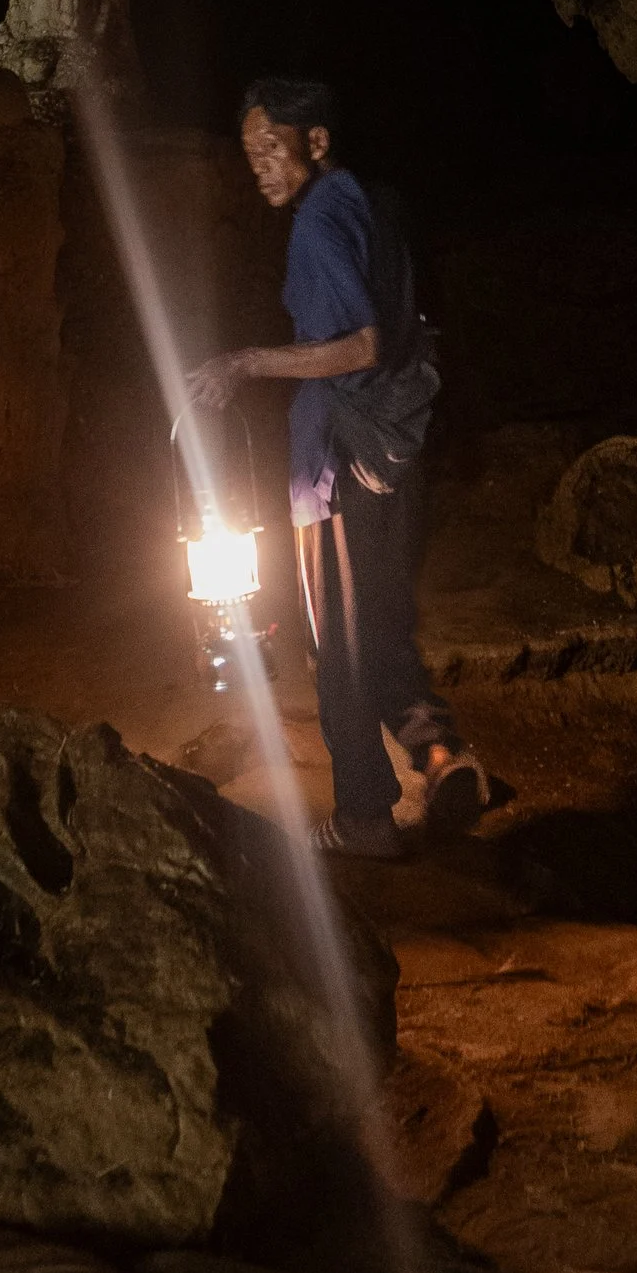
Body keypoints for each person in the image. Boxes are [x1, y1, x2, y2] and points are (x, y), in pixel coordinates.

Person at [188, 73, 487, 861]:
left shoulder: (319, 219)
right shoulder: (371, 202)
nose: (259, 166)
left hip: (342, 466)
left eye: (271, 148)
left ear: (315, 142)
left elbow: (362, 345)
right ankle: (440, 756)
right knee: (385, 628)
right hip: (398, 450)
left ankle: (363, 816)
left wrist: (243, 363)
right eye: (249, 153)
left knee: (340, 651)